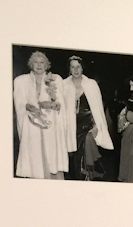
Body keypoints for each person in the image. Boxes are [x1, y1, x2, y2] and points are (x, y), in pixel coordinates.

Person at [13, 50, 68, 179]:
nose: (39, 65)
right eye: (36, 62)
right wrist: (29, 106)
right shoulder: (22, 81)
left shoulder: (55, 79)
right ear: (31, 64)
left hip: (50, 125)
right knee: (34, 154)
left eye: (42, 62)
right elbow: (19, 102)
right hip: (31, 124)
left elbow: (60, 104)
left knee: (50, 154)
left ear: (46, 65)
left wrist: (52, 105)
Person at [63, 55, 113, 180]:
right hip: (71, 127)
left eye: (78, 66)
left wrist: (96, 126)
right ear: (69, 69)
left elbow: (98, 108)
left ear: (82, 68)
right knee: (73, 158)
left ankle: (86, 180)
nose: (76, 70)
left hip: (88, 125)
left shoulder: (91, 84)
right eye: (73, 67)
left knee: (85, 156)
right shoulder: (63, 85)